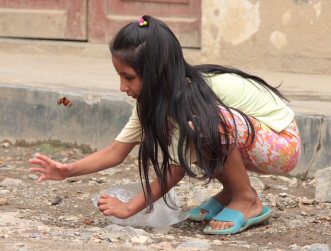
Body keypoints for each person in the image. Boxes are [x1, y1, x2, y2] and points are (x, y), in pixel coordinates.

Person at [29, 15, 301, 235]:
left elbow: (175, 169)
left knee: (206, 123)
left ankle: (247, 199)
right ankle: (232, 192)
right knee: (198, 129)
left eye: (129, 77)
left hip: (282, 146)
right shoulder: (153, 100)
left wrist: (129, 208)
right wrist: (68, 170)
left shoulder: (192, 95)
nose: (122, 87)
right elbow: (116, 151)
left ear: (157, 72)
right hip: (250, 141)